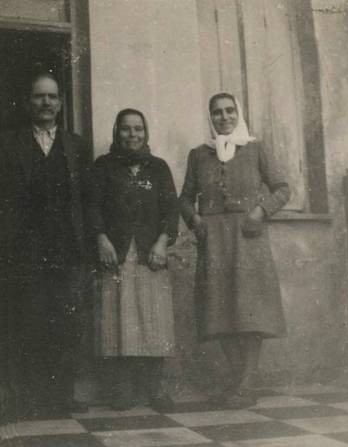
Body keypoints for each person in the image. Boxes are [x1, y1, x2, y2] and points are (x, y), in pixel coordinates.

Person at [179, 92, 290, 408]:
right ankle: (237, 381)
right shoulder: (198, 154)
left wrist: (261, 211)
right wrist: (195, 219)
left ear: (238, 114)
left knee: (250, 312)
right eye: (217, 112)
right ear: (210, 117)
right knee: (219, 310)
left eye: (229, 111)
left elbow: (283, 188)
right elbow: (185, 197)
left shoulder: (255, 149)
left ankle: (246, 383)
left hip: (248, 238)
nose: (224, 117)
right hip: (213, 240)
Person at [0, 71, 90, 419]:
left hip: (65, 249)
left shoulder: (76, 145)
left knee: (64, 322)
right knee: (24, 321)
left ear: (61, 104)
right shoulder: (8, 143)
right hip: (21, 250)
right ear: (28, 102)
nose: (46, 103)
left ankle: (61, 396)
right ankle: (23, 398)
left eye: (52, 97)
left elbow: (86, 198)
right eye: (39, 97)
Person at [87, 108, 178, 412]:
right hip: (116, 254)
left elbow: (170, 211)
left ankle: (156, 389)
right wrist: (101, 239)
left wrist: (163, 243)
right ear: (116, 132)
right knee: (117, 321)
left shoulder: (159, 168)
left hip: (151, 255)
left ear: (146, 133)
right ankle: (121, 390)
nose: (132, 135)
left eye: (138, 129)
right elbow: (92, 208)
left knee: (154, 322)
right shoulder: (103, 167)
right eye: (126, 129)